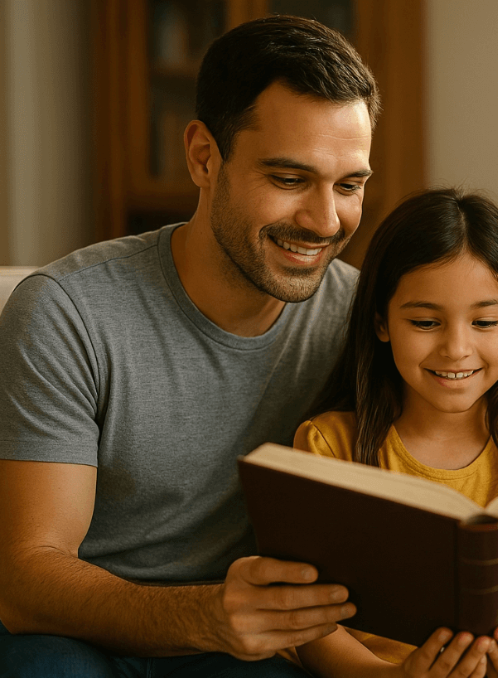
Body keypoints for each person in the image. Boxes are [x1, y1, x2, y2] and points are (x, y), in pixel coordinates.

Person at [0, 16, 379, 676]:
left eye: (349, 185)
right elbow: (25, 579)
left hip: (243, 651)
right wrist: (205, 615)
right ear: (204, 157)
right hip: (73, 635)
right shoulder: (67, 312)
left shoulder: (362, 319)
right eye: (289, 179)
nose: (325, 220)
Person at [290, 188, 498, 678]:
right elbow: (309, 625)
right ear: (382, 322)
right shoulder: (328, 445)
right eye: (426, 322)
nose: (456, 348)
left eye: (485, 322)